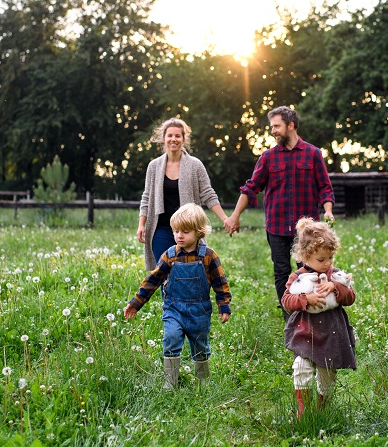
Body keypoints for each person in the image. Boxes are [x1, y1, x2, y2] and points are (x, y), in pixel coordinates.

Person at [224, 106, 335, 320]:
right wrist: (234, 216)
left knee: (310, 269)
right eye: (272, 126)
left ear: (290, 125)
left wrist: (328, 211)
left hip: (307, 229)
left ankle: (313, 314)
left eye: (277, 126)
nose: (273, 130)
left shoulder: (313, 154)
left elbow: (325, 187)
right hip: (277, 226)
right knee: (282, 272)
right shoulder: (268, 157)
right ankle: (291, 317)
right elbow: (251, 187)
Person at [124, 203, 232, 389]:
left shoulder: (208, 256)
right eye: (176, 231)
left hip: (199, 311)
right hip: (174, 309)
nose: (179, 235)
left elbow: (220, 282)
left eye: (185, 231)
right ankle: (170, 382)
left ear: (199, 232)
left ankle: (202, 382)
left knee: (201, 346)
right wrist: (136, 303)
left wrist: (224, 305)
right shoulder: (169, 255)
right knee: (171, 338)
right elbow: (153, 279)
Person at [280, 217, 356, 418]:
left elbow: (351, 298)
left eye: (330, 258)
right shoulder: (297, 277)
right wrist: (306, 298)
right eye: (321, 260)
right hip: (305, 331)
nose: (327, 263)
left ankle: (323, 407)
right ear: (305, 257)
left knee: (327, 373)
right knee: (301, 368)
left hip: (331, 333)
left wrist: (336, 286)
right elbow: (286, 300)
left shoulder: (336, 275)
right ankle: (303, 411)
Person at [137, 117, 230, 272]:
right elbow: (146, 197)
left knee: (189, 270)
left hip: (188, 229)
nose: (174, 139)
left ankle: (187, 297)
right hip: (161, 228)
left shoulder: (195, 165)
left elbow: (208, 194)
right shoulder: (153, 166)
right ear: (164, 139)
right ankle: (167, 298)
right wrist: (141, 224)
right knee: (163, 272)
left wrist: (225, 219)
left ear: (183, 139)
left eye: (177, 136)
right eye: (170, 135)